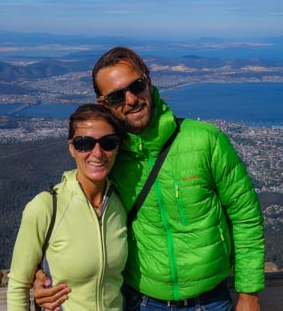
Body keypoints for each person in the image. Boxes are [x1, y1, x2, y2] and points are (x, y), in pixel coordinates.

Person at [35, 47, 265, 311]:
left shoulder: (205, 140)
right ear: (104, 103)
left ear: (149, 81)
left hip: (212, 300)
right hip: (142, 302)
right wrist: (36, 273)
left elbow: (245, 216)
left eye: (137, 86)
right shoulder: (109, 155)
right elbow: (65, 212)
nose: (131, 99)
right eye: (117, 96)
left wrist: (248, 294)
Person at [7, 103, 128, 311]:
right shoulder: (46, 207)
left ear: (117, 147)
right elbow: (18, 287)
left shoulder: (121, 203)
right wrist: (37, 277)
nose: (97, 153)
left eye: (108, 142)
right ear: (71, 148)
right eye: (84, 143)